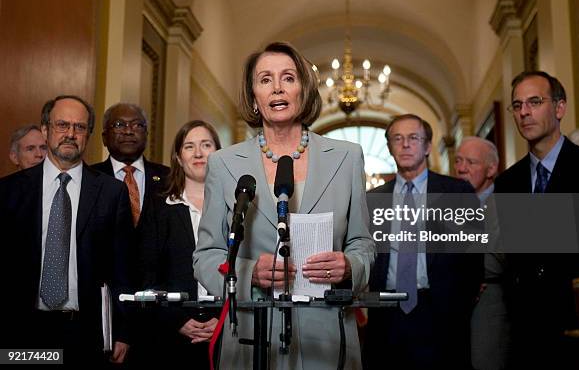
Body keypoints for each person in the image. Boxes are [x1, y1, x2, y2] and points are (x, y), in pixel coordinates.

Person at [193, 41, 375, 369]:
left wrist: (350, 267)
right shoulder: (223, 163)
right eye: (265, 80)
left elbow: (362, 244)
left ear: (304, 90)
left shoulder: (347, 158)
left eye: (288, 78)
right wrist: (248, 272)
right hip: (251, 334)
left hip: (327, 334)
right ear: (253, 97)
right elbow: (207, 256)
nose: (277, 88)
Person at [0, 95, 133, 364]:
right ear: (46, 130)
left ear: (89, 135)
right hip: (22, 331)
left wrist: (123, 331)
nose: (70, 134)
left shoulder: (112, 192)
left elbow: (124, 268)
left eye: (80, 127)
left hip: (86, 334)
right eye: (62, 125)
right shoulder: (9, 191)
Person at [494, 71, 579, 367]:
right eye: (517, 105)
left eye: (534, 101)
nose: (524, 112)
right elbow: (517, 260)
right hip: (529, 337)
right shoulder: (508, 182)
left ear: (560, 108)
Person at [363, 114, 482, 369]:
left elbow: (473, 257)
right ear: (390, 148)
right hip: (386, 315)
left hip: (441, 315)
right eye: (398, 138)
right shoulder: (371, 200)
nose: (405, 145)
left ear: (428, 146)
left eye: (413, 138)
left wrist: (459, 303)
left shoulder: (457, 192)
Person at [139, 120, 220, 365]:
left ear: (219, 153)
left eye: (206, 145)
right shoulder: (159, 206)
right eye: (189, 147)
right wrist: (177, 320)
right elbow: (146, 273)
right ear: (177, 157)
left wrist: (222, 317)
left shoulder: (236, 205)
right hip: (170, 335)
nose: (198, 153)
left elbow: (245, 269)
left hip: (227, 332)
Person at [455, 136, 509, 370]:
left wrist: (467, 275)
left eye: (471, 162)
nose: (461, 168)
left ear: (491, 168)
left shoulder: (506, 203)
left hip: (491, 309)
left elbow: (499, 260)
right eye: (458, 161)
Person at [91, 103, 169, 227]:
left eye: (137, 125)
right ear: (104, 138)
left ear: (146, 136)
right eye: (119, 125)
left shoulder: (168, 178)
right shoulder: (89, 178)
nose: (128, 131)